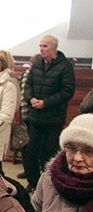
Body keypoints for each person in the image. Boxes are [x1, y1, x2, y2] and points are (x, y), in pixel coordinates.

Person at [23, 35, 76, 190]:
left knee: (49, 153)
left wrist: (46, 103)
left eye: (45, 46)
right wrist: (30, 98)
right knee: (30, 150)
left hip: (53, 119)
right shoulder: (38, 63)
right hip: (35, 117)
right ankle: (33, 182)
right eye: (40, 46)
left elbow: (67, 91)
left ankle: (48, 184)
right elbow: (28, 84)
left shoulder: (65, 66)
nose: (41, 49)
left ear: (54, 48)